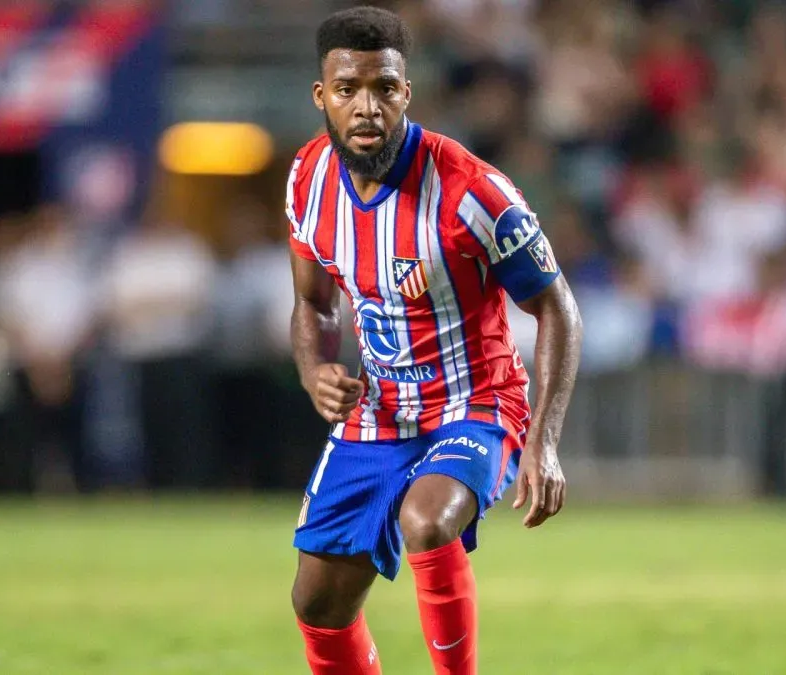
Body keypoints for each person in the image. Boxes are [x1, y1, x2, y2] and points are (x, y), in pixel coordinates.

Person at [286, 8, 583, 674]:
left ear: (407, 93)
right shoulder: (308, 179)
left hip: (475, 403)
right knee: (318, 603)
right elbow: (312, 302)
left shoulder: (472, 192)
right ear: (322, 95)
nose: (368, 107)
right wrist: (313, 369)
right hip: (381, 412)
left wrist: (544, 441)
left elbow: (558, 308)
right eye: (348, 89)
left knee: (426, 519)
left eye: (385, 89)